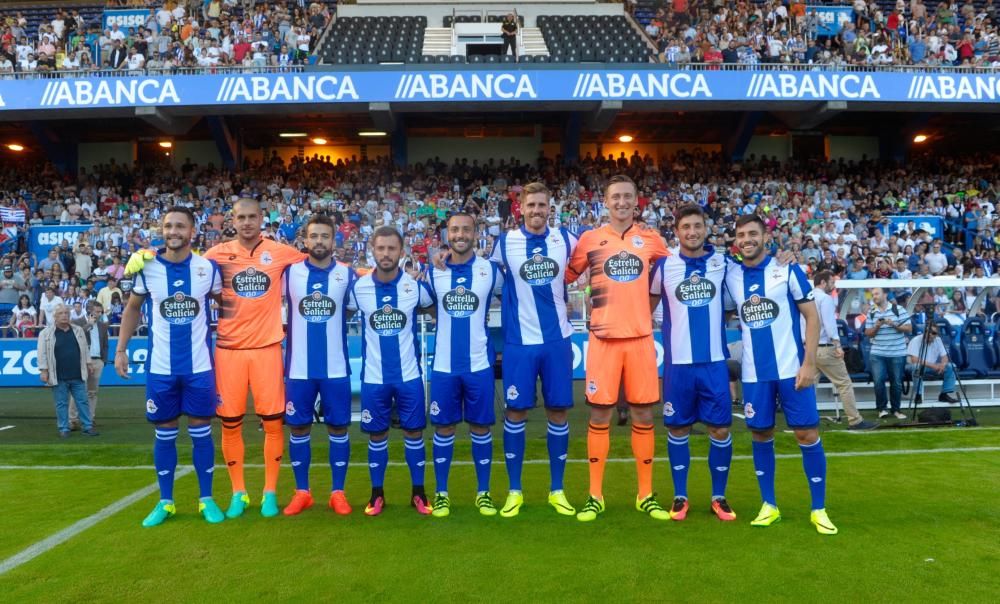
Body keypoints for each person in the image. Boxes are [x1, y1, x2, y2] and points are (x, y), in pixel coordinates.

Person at [126, 198, 307, 518]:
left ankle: (269, 493)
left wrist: (371, 272)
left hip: (267, 349)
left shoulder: (280, 252)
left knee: (273, 422)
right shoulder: (213, 258)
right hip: (227, 351)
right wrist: (147, 254)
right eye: (241, 217)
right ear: (232, 221)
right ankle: (239, 493)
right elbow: (179, 262)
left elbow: (321, 263)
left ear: (262, 219)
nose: (247, 222)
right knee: (229, 423)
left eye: (253, 217)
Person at [565, 174, 671, 522]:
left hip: (641, 340)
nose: (622, 202)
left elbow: (678, 271)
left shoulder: (652, 240)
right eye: (615, 197)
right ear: (605, 202)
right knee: (599, 416)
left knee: (643, 415)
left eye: (628, 196)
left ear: (636, 201)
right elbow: (561, 276)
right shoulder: (590, 239)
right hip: (603, 340)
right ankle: (595, 496)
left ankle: (645, 495)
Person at [725, 214, 837, 536]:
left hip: (792, 370)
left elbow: (812, 318)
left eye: (753, 233)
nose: (747, 239)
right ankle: (769, 505)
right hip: (754, 374)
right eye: (742, 234)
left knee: (807, 435)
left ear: (765, 237)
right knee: (761, 434)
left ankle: (819, 509)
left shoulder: (787, 269)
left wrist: (810, 363)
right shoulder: (731, 275)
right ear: (736, 241)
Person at [116, 207, 225, 527]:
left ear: (192, 231)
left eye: (180, 226)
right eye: (168, 226)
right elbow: (132, 309)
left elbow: (227, 305)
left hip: (200, 367)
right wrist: (121, 350)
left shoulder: (208, 268)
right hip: (161, 368)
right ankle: (166, 501)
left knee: (201, 432)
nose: (173, 231)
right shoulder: (146, 267)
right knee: (164, 433)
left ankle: (206, 499)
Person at [488, 182, 577, 518]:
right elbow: (489, 279)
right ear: (520, 209)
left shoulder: (567, 239)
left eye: (543, 205)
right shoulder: (504, 243)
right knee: (515, 413)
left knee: (558, 412)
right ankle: (515, 491)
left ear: (549, 208)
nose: (537, 210)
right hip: (519, 344)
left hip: (557, 341)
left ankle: (557, 490)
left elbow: (587, 266)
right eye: (531, 205)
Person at [648, 204, 736, 522]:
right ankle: (680, 496)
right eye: (686, 227)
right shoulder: (664, 265)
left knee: (720, 428)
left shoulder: (722, 263)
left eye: (697, 226)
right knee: (678, 426)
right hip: (678, 364)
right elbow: (647, 304)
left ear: (705, 229)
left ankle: (718, 496)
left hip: (713, 363)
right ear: (677, 231)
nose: (692, 232)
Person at [347, 226, 435, 516]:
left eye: (392, 249)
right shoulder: (359, 289)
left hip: (409, 377)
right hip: (374, 378)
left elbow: (435, 308)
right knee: (377, 436)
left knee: (414, 434)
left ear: (401, 251)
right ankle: (376, 495)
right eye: (381, 248)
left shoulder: (414, 288)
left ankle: (419, 494)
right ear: (372, 249)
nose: (386, 254)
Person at [426, 212, 504, 518]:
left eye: (466, 229)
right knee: (443, 428)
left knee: (480, 426)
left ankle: (483, 493)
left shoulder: (490, 271)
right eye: (454, 229)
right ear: (447, 234)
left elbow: (509, 299)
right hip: (444, 365)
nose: (460, 234)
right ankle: (442, 493)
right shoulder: (433, 272)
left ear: (475, 233)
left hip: (479, 364)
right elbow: (424, 303)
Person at [281, 215, 357, 516]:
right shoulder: (289, 273)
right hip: (298, 370)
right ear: (305, 239)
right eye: (314, 236)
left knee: (338, 427)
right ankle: (303, 492)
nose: (320, 242)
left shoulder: (347, 275)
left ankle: (338, 492)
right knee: (298, 428)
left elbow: (350, 311)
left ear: (334, 239)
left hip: (335, 369)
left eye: (325, 236)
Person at [812, 271, 877, 430]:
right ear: (822, 282)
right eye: (831, 283)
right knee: (844, 384)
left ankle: (804, 422)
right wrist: (838, 345)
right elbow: (829, 325)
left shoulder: (806, 297)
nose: (834, 286)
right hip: (825, 348)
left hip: (809, 349)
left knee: (809, 387)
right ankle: (855, 420)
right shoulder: (825, 299)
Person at [37, 304, 98, 438]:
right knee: (61, 403)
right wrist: (43, 370)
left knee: (82, 401)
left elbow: (84, 348)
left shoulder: (78, 330)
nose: (64, 315)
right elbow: (41, 353)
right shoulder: (45, 333)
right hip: (58, 375)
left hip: (77, 373)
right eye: (61, 313)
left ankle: (87, 427)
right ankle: (64, 428)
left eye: (66, 313)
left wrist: (89, 363)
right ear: (55, 316)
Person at [865, 287, 912, 419]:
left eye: (876, 294)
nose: (874, 296)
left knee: (896, 382)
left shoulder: (899, 310)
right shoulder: (872, 312)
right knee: (878, 381)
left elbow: (909, 328)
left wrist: (894, 325)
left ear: (885, 295)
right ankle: (882, 409)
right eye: (873, 294)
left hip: (897, 353)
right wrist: (877, 326)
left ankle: (896, 410)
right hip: (877, 353)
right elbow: (867, 333)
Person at [69, 300, 108, 431]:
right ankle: (72, 420)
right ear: (89, 310)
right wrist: (88, 325)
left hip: (97, 361)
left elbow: (105, 344)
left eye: (100, 312)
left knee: (92, 392)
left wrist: (103, 360)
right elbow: (73, 338)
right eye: (97, 311)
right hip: (82, 360)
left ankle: (89, 418)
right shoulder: (77, 322)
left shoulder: (102, 325)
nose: (99, 314)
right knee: (78, 390)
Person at [907, 323, 960, 404]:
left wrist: (943, 364)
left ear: (937, 334)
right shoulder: (915, 340)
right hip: (913, 366)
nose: (931, 334)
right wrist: (934, 366)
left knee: (951, 366)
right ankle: (918, 395)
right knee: (916, 367)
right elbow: (914, 360)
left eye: (934, 333)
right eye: (929, 332)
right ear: (925, 332)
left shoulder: (938, 340)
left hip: (931, 367)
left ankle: (944, 394)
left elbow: (945, 356)